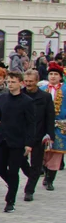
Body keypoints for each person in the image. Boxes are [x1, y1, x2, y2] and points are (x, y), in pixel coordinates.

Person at [0, 71, 35, 213]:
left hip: (17, 141)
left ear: (20, 83)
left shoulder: (27, 101)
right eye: (9, 82)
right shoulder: (3, 98)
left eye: (13, 82)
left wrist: (29, 144)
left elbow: (31, 124)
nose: (10, 84)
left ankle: (10, 201)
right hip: (2, 139)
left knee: (13, 171)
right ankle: (13, 186)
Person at [23, 68, 55, 203]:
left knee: (36, 164)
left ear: (37, 81)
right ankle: (32, 175)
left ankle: (29, 190)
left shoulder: (46, 97)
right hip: (22, 135)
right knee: (20, 161)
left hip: (39, 134)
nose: (28, 84)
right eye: (26, 81)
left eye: (31, 81)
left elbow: (50, 117)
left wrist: (50, 135)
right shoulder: (20, 95)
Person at [42, 62, 65, 190]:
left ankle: (50, 180)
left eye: (56, 74)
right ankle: (46, 173)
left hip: (60, 126)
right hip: (43, 125)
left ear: (60, 77)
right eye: (51, 74)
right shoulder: (42, 89)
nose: (53, 76)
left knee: (56, 153)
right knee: (44, 152)